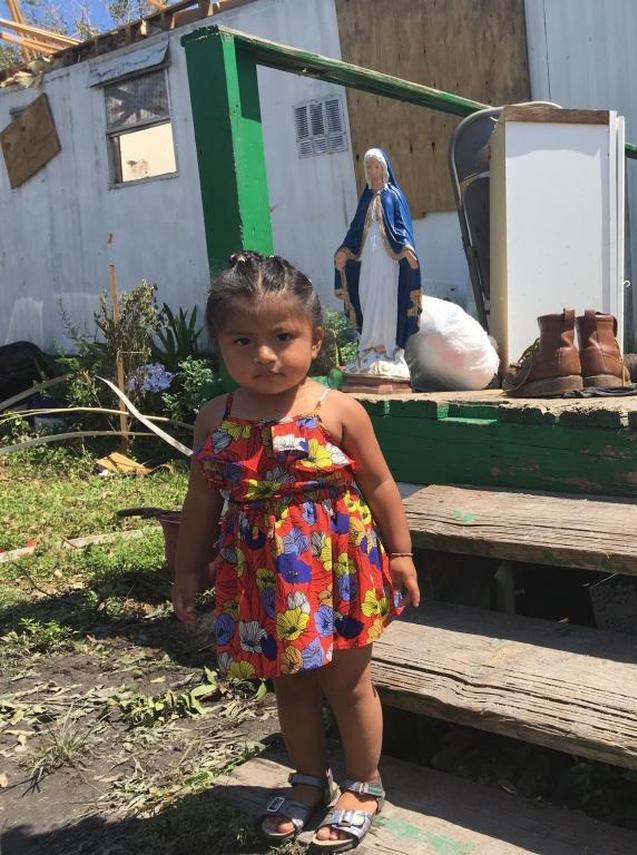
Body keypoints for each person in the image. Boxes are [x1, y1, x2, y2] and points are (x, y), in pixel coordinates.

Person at [172, 251, 421, 851]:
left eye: (283, 336)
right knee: (291, 685)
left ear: (316, 340)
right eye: (243, 340)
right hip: (262, 576)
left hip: (338, 571)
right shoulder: (216, 418)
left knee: (348, 684)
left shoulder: (338, 410)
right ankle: (309, 779)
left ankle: (363, 784)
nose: (264, 355)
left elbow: (380, 483)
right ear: (220, 347)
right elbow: (202, 501)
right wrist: (186, 568)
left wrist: (402, 553)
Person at [334, 148, 422, 380]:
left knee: (386, 297)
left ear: (383, 169)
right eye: (369, 167)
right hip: (367, 257)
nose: (373, 171)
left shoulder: (393, 195)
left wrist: (406, 249)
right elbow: (355, 229)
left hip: (388, 258)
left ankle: (388, 346)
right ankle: (368, 345)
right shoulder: (365, 198)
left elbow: (402, 227)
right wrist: (344, 250)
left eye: (377, 166)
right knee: (366, 294)